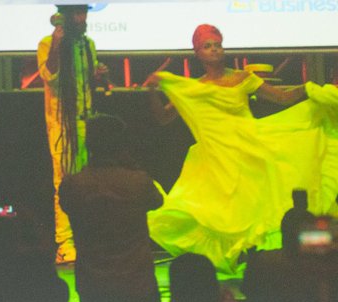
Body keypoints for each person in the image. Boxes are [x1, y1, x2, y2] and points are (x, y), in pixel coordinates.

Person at [145, 24, 338, 282]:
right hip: (215, 157)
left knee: (255, 208)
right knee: (209, 211)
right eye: (207, 46)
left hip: (249, 152)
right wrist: (151, 91)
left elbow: (282, 98)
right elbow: (163, 119)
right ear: (198, 53)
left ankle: (261, 270)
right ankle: (230, 265)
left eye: (217, 44)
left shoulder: (242, 78)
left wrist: (312, 89)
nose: (214, 50)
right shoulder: (194, 89)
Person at [59, 114, 163, 302]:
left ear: (89, 145)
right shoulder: (138, 181)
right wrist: (131, 166)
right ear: (122, 145)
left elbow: (67, 206)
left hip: (94, 285)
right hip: (138, 283)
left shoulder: (73, 185)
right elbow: (158, 201)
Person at [37, 4, 109, 265]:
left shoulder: (87, 44)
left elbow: (86, 83)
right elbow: (50, 76)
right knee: (65, 184)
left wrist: (98, 76)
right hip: (62, 124)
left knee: (91, 182)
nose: (82, 18)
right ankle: (66, 243)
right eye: (77, 14)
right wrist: (57, 43)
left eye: (84, 13)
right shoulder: (47, 43)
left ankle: (88, 238)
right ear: (65, 17)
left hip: (87, 121)